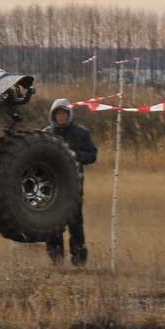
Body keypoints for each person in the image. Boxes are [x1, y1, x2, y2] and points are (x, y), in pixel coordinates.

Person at [44, 97, 97, 266]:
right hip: (52, 186)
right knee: (53, 224)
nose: (61, 116)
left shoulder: (81, 133)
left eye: (64, 113)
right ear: (53, 115)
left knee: (75, 224)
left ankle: (79, 260)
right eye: (58, 113)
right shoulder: (46, 134)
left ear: (69, 114)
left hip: (74, 184)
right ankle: (56, 260)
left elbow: (92, 155)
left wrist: (76, 155)